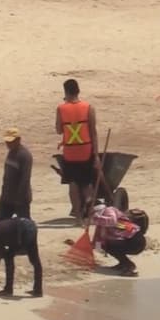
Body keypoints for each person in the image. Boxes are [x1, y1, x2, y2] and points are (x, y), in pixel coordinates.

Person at [56, 78, 98, 218]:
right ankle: (89, 208)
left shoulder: (61, 109)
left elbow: (58, 130)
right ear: (78, 91)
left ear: (66, 92)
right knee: (87, 182)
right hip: (85, 150)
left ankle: (78, 215)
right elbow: (93, 132)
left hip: (70, 152)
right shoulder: (88, 107)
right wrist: (96, 155)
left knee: (72, 183)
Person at [93, 203, 146, 276]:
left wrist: (96, 218)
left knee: (109, 245)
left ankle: (129, 265)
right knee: (106, 245)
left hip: (136, 240)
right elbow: (97, 243)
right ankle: (123, 263)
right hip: (127, 241)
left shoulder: (108, 210)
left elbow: (112, 221)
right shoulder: (100, 224)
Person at [0, 128, 32, 221]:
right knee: (0, 223)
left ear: (18, 140)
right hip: (7, 197)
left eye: (11, 142)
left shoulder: (24, 155)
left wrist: (20, 199)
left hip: (20, 198)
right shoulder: (11, 153)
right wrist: (3, 194)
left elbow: (25, 179)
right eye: (7, 142)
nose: (8, 144)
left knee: (24, 226)